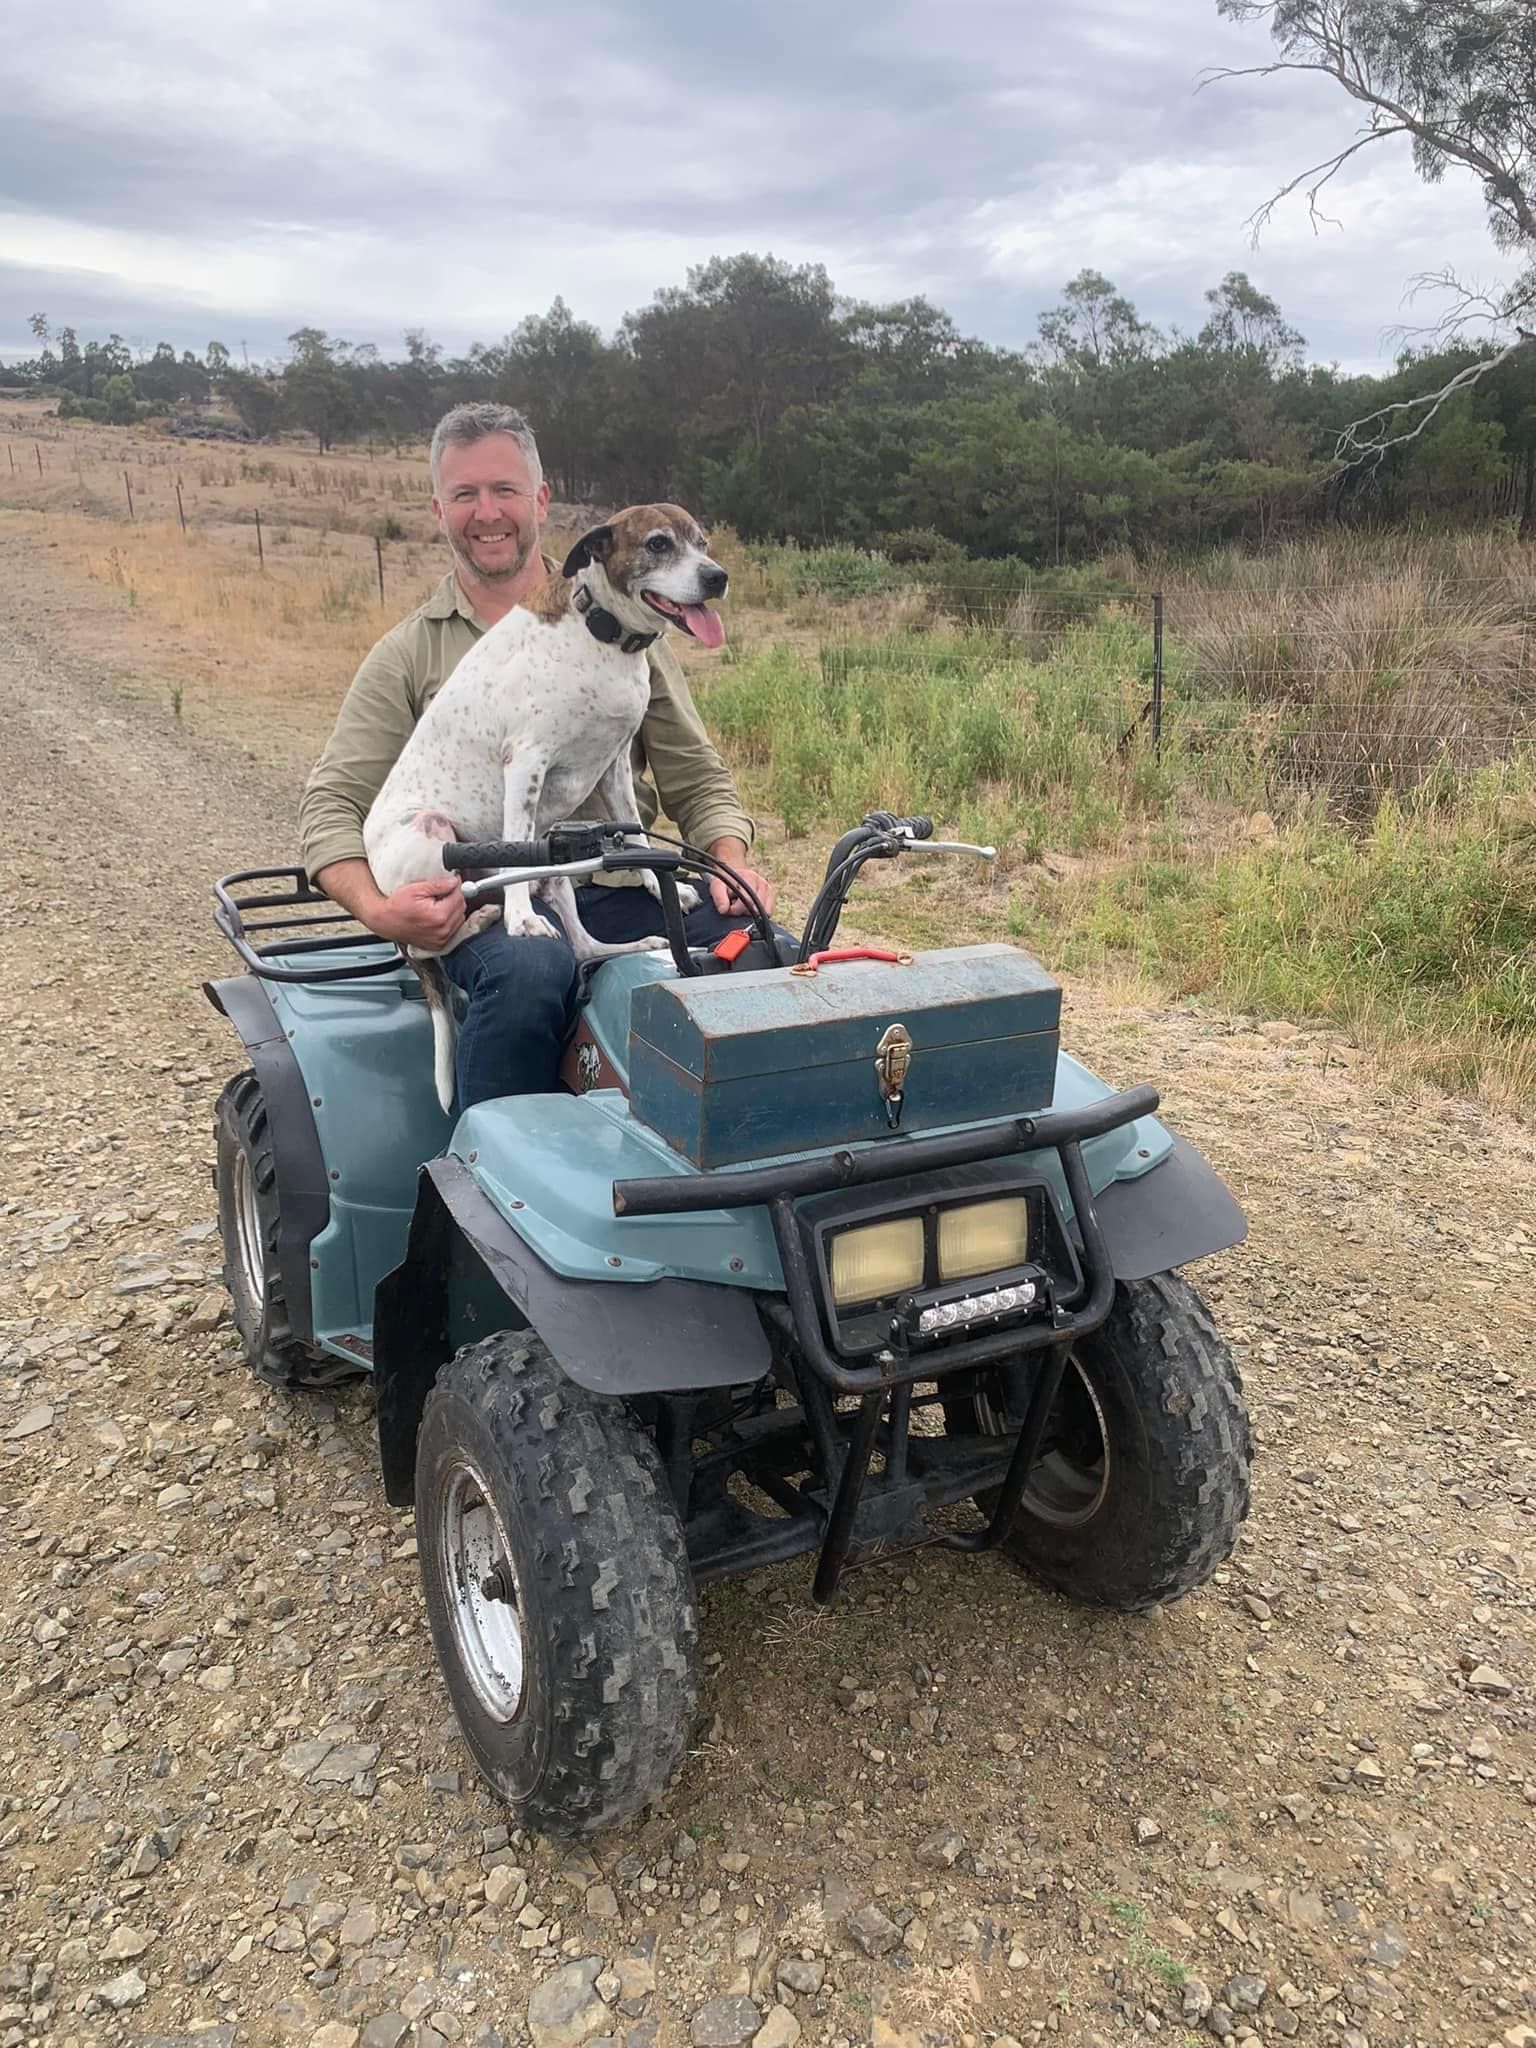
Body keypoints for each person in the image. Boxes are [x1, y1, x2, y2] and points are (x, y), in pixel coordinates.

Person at [299, 401, 776, 1109]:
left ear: (542, 501)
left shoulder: (635, 628)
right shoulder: (409, 652)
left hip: (612, 884)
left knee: (764, 946)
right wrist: (380, 910)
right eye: (465, 494)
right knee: (529, 973)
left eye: (505, 491)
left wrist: (730, 863)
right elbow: (331, 805)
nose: (487, 513)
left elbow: (696, 776)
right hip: (485, 894)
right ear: (438, 509)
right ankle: (485, 1187)